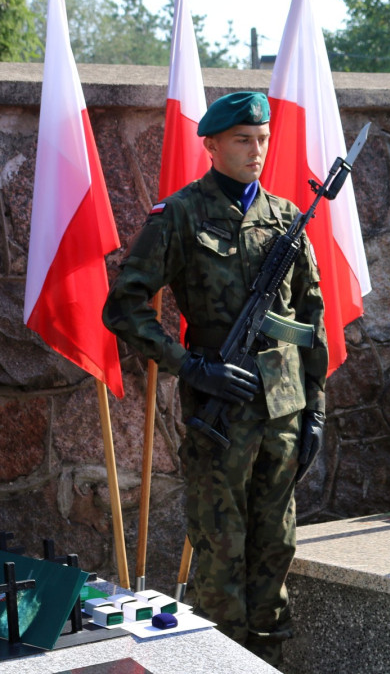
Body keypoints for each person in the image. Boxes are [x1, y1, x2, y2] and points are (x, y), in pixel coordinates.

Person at [103, 91, 328, 666]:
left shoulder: (285, 218)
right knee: (220, 562)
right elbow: (124, 306)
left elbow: (311, 319)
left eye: (262, 139)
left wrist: (316, 410)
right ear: (211, 145)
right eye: (242, 140)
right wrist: (189, 364)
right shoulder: (179, 215)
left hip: (281, 411)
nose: (256, 150)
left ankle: (270, 663)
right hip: (219, 415)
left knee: (275, 553)